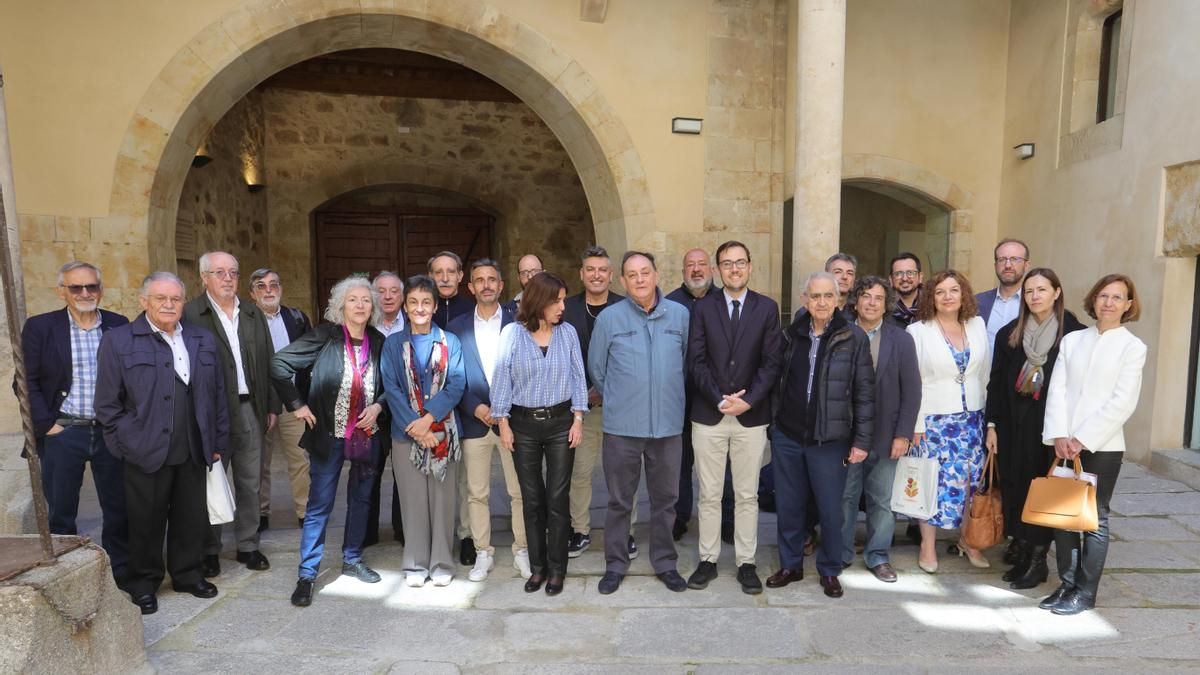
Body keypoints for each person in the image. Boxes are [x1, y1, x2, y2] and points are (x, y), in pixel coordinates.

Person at [94, 272, 227, 615]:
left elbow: (217, 395)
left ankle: (187, 574)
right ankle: (143, 582)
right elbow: (107, 405)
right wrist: (125, 444)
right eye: (160, 298)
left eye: (176, 299)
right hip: (144, 449)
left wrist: (217, 441)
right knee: (145, 521)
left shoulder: (202, 338)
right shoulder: (118, 341)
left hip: (194, 447)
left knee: (190, 517)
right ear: (144, 301)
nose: (169, 304)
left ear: (184, 302)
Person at [271, 276, 388, 607]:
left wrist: (379, 406)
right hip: (329, 435)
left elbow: (391, 384)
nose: (360, 305)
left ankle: (352, 559)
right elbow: (279, 364)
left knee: (361, 499)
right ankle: (307, 574)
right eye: (353, 299)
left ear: (373, 307)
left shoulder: (379, 341)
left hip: (366, 435)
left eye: (366, 300)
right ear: (341, 306)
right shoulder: (324, 336)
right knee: (319, 505)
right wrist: (297, 404)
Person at [1040, 273, 1146, 616]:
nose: (1108, 303)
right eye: (1103, 296)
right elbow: (1057, 389)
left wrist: (1082, 438)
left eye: (1117, 297)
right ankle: (1067, 584)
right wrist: (1059, 434)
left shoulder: (1132, 347)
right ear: (1093, 300)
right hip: (1063, 443)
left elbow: (1123, 402)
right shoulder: (1073, 340)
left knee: (1094, 519)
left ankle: (1085, 593)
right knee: (1063, 516)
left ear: (1128, 305)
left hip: (1103, 446)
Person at [21, 261, 130, 587]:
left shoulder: (118, 325)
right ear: (62, 292)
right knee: (61, 511)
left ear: (101, 290)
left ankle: (120, 575)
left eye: (91, 286)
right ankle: (67, 579)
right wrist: (47, 426)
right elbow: (25, 381)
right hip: (63, 432)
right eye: (76, 287)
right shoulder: (41, 327)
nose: (85, 293)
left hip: (109, 432)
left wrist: (125, 424)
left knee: (119, 508)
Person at [766, 272, 874, 599]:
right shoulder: (790, 335)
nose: (822, 302)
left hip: (829, 440)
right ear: (805, 300)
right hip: (788, 436)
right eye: (815, 296)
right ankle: (791, 565)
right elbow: (776, 383)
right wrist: (775, 427)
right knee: (789, 506)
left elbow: (865, 393)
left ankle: (829, 569)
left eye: (828, 296)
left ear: (839, 299)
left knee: (830, 510)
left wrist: (861, 441)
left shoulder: (853, 337)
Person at [589, 251, 690, 594]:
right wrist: (622, 398)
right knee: (619, 501)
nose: (640, 279)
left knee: (666, 500)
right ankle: (615, 564)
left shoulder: (679, 315)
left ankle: (665, 562)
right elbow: (597, 368)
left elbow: (685, 363)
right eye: (632, 275)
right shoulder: (609, 318)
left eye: (645, 272)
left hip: (668, 427)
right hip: (622, 428)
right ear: (623, 281)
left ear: (656, 275)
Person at [685, 241, 781, 595]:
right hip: (708, 413)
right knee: (709, 493)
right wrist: (718, 398)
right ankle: (708, 559)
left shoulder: (767, 308)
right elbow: (695, 360)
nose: (735, 269)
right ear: (717, 270)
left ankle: (746, 563)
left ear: (750, 266)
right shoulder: (702, 308)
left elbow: (772, 362)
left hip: (750, 417)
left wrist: (749, 400)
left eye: (740, 262)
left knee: (747, 495)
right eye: (727, 263)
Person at [986, 267, 1085, 590]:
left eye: (1042, 290)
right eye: (1029, 291)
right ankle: (1024, 550)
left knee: (1044, 492)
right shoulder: (1010, 333)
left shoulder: (1074, 334)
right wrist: (992, 424)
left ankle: (1038, 560)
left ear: (1056, 292)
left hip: (1051, 430)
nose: (1035, 296)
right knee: (1016, 488)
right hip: (1013, 427)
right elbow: (996, 383)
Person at [491, 272, 588, 595]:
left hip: (561, 424)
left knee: (558, 499)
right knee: (532, 500)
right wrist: (503, 423)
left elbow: (578, 377)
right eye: (556, 300)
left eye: (563, 300)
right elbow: (501, 378)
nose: (562, 306)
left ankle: (557, 570)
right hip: (523, 426)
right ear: (539, 301)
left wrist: (578, 419)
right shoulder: (512, 334)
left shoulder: (568, 333)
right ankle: (538, 568)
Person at [183, 251, 277, 577]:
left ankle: (248, 544)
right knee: (213, 480)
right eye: (220, 272)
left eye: (233, 273)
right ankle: (210, 549)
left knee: (250, 482)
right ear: (204, 277)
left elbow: (269, 362)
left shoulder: (252, 313)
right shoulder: (190, 314)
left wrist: (271, 406)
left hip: (251, 408)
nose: (228, 279)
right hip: (211, 414)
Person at [447, 258, 531, 582]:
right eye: (479, 280)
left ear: (501, 285)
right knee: (476, 492)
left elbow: (525, 371)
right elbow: (454, 376)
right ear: (470, 287)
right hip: (475, 421)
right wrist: (476, 408)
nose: (486, 285)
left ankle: (522, 549)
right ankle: (483, 552)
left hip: (513, 422)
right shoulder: (457, 327)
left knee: (519, 490)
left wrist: (506, 409)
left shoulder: (518, 322)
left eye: (492, 279)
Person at [381, 275, 466, 587]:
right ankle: (415, 564)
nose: (420, 308)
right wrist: (417, 428)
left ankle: (442, 562)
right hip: (406, 434)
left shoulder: (450, 342)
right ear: (405, 306)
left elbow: (456, 383)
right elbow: (391, 388)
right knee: (413, 501)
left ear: (434, 306)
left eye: (426, 302)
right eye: (414, 302)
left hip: (443, 432)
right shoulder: (393, 344)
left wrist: (429, 420)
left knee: (443, 501)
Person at [906, 269, 991, 573]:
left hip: (972, 419)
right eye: (940, 291)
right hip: (934, 421)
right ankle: (928, 546)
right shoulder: (918, 331)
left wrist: (990, 421)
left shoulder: (977, 325)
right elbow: (912, 382)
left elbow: (985, 373)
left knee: (970, 483)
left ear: (963, 294)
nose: (947, 297)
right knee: (932, 482)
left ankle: (968, 540)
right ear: (931, 297)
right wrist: (916, 424)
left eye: (954, 290)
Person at [840, 276, 920, 583]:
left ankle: (878, 555)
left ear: (886, 304)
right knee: (844, 497)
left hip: (887, 435)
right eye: (865, 296)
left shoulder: (901, 339)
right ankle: (842, 552)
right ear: (856, 301)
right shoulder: (842, 333)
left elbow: (912, 391)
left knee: (883, 500)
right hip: (846, 435)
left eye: (878, 298)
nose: (871, 303)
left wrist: (903, 434)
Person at [561, 245, 627, 558]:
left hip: (618, 408)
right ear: (581, 274)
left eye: (602, 270)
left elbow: (630, 359)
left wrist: (603, 388)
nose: (596, 275)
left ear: (611, 275)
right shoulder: (567, 309)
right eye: (590, 269)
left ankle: (624, 533)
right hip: (579, 410)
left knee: (621, 475)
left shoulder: (625, 307)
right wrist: (581, 393)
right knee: (580, 474)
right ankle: (580, 530)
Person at [249, 268, 312, 532]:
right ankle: (260, 513)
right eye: (261, 286)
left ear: (281, 288)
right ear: (252, 293)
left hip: (291, 401)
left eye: (274, 284)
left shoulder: (296, 318)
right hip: (258, 403)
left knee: (300, 458)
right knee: (258, 461)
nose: (269, 290)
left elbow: (310, 357)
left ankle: (305, 512)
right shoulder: (244, 320)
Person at [665, 247, 718, 541]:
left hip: (714, 398)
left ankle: (724, 518)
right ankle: (679, 516)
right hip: (679, 399)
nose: (696, 269)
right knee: (679, 463)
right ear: (683, 270)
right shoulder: (669, 304)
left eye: (702, 264)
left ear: (711, 269)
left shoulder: (723, 301)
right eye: (690, 265)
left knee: (719, 465)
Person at [365, 271, 404, 548]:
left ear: (402, 296)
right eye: (381, 291)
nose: (388, 296)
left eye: (394, 291)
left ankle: (404, 530)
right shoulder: (364, 324)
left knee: (405, 474)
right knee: (369, 472)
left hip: (404, 410)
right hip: (372, 411)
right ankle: (367, 532)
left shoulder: (414, 323)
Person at [977, 239, 1031, 348]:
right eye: (1002, 259)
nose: (1008, 265)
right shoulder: (978, 302)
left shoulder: (1033, 303)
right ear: (995, 265)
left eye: (1015, 259)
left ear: (1026, 265)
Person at [429, 251, 475, 330]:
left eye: (451, 272)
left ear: (460, 276)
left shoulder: (473, 311)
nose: (445, 279)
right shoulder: (422, 312)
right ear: (431, 277)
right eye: (439, 272)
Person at [889, 252, 924, 326]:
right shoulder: (883, 308)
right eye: (898, 274)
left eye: (910, 273)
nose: (904, 278)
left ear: (920, 277)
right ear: (891, 279)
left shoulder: (933, 305)